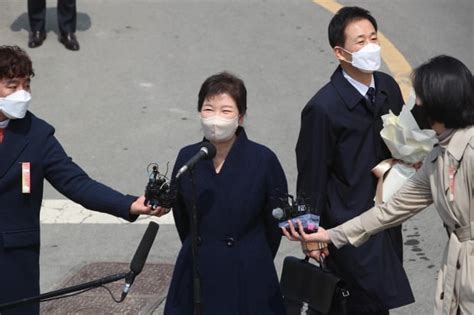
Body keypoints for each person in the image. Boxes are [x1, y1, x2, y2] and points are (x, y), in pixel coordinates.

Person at [285, 55, 474, 315]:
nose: (415, 103)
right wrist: (330, 235)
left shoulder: (471, 150)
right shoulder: (438, 156)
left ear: (441, 101)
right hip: (459, 268)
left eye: (419, 97)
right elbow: (390, 210)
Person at [0, 45, 163, 314]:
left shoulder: (37, 134)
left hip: (15, 260)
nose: (22, 94)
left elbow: (77, 183)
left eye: (26, 85)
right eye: (12, 86)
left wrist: (130, 204)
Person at [294, 6, 415, 314]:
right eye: (360, 41)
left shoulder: (387, 87)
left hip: (384, 220)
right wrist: (310, 235)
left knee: (378, 305)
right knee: (354, 305)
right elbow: (312, 177)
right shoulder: (323, 108)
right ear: (340, 52)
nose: (370, 47)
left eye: (373, 38)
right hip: (345, 227)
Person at [163, 72, 287, 314]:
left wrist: (251, 254)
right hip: (197, 268)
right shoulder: (188, 157)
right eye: (209, 109)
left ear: (240, 117)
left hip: (248, 271)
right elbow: (182, 217)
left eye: (226, 111)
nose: (216, 118)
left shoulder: (263, 160)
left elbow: (275, 224)